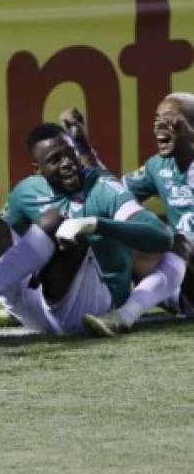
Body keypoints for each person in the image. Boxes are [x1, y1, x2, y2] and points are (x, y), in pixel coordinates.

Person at [0, 122, 174, 337]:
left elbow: (162, 238)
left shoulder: (103, 187)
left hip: (92, 309)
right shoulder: (27, 191)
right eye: (55, 160)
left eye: (70, 155)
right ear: (37, 169)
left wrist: (94, 224)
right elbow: (5, 242)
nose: (67, 164)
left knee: (54, 221)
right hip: (35, 304)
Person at [61, 95, 194, 335]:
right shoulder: (158, 167)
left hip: (187, 261)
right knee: (123, 235)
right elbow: (110, 190)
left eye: (171, 120)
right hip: (183, 287)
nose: (160, 126)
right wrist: (82, 146)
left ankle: (123, 316)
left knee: (182, 239)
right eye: (156, 119)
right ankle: (37, 303)